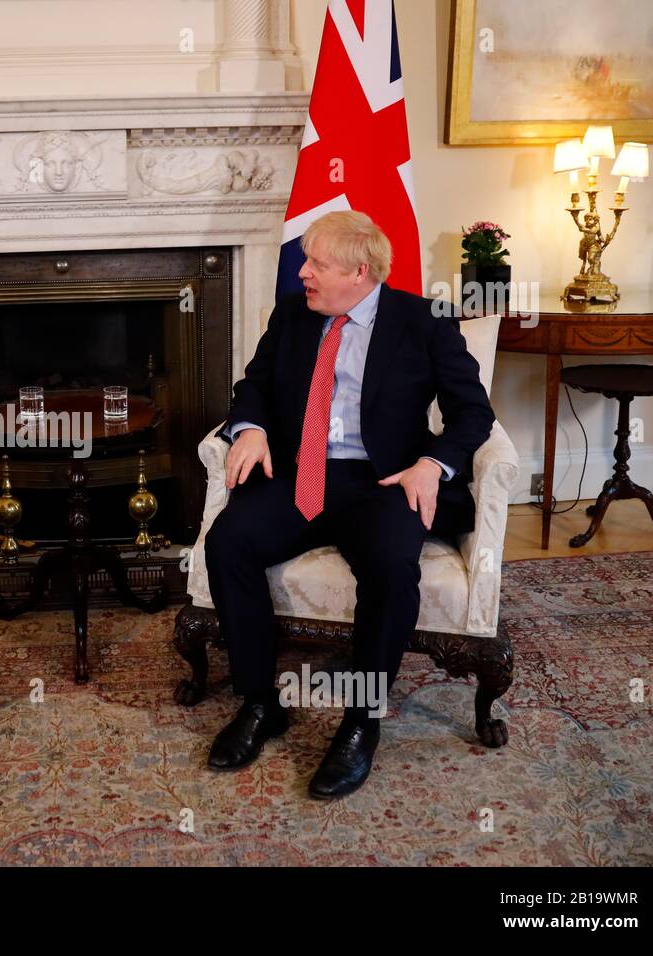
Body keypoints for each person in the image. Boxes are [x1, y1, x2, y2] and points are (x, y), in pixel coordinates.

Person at [205, 210, 494, 798]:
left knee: (391, 567)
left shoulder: (424, 321)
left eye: (317, 264)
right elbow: (253, 385)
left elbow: (473, 412)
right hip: (299, 473)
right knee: (227, 542)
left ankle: (361, 721)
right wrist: (251, 428)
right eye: (306, 260)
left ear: (360, 272)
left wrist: (431, 465)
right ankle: (261, 703)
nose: (303, 273)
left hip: (384, 481)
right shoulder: (293, 314)